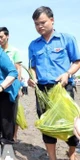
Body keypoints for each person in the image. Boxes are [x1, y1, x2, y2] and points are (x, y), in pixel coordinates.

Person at [28, 6, 80, 160]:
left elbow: (77, 62)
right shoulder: (33, 45)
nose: (40, 26)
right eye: (36, 24)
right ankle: (52, 157)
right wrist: (32, 78)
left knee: (69, 122)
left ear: (52, 20)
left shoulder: (67, 39)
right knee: (47, 124)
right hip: (42, 90)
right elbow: (32, 67)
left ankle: (72, 152)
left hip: (62, 88)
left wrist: (67, 73)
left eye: (42, 22)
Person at [0, 26, 22, 142]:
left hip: (12, 87)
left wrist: (19, 87)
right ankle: (2, 136)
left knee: (12, 113)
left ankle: (11, 137)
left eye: (1, 37)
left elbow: (18, 70)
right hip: (0, 87)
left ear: (7, 36)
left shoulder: (14, 51)